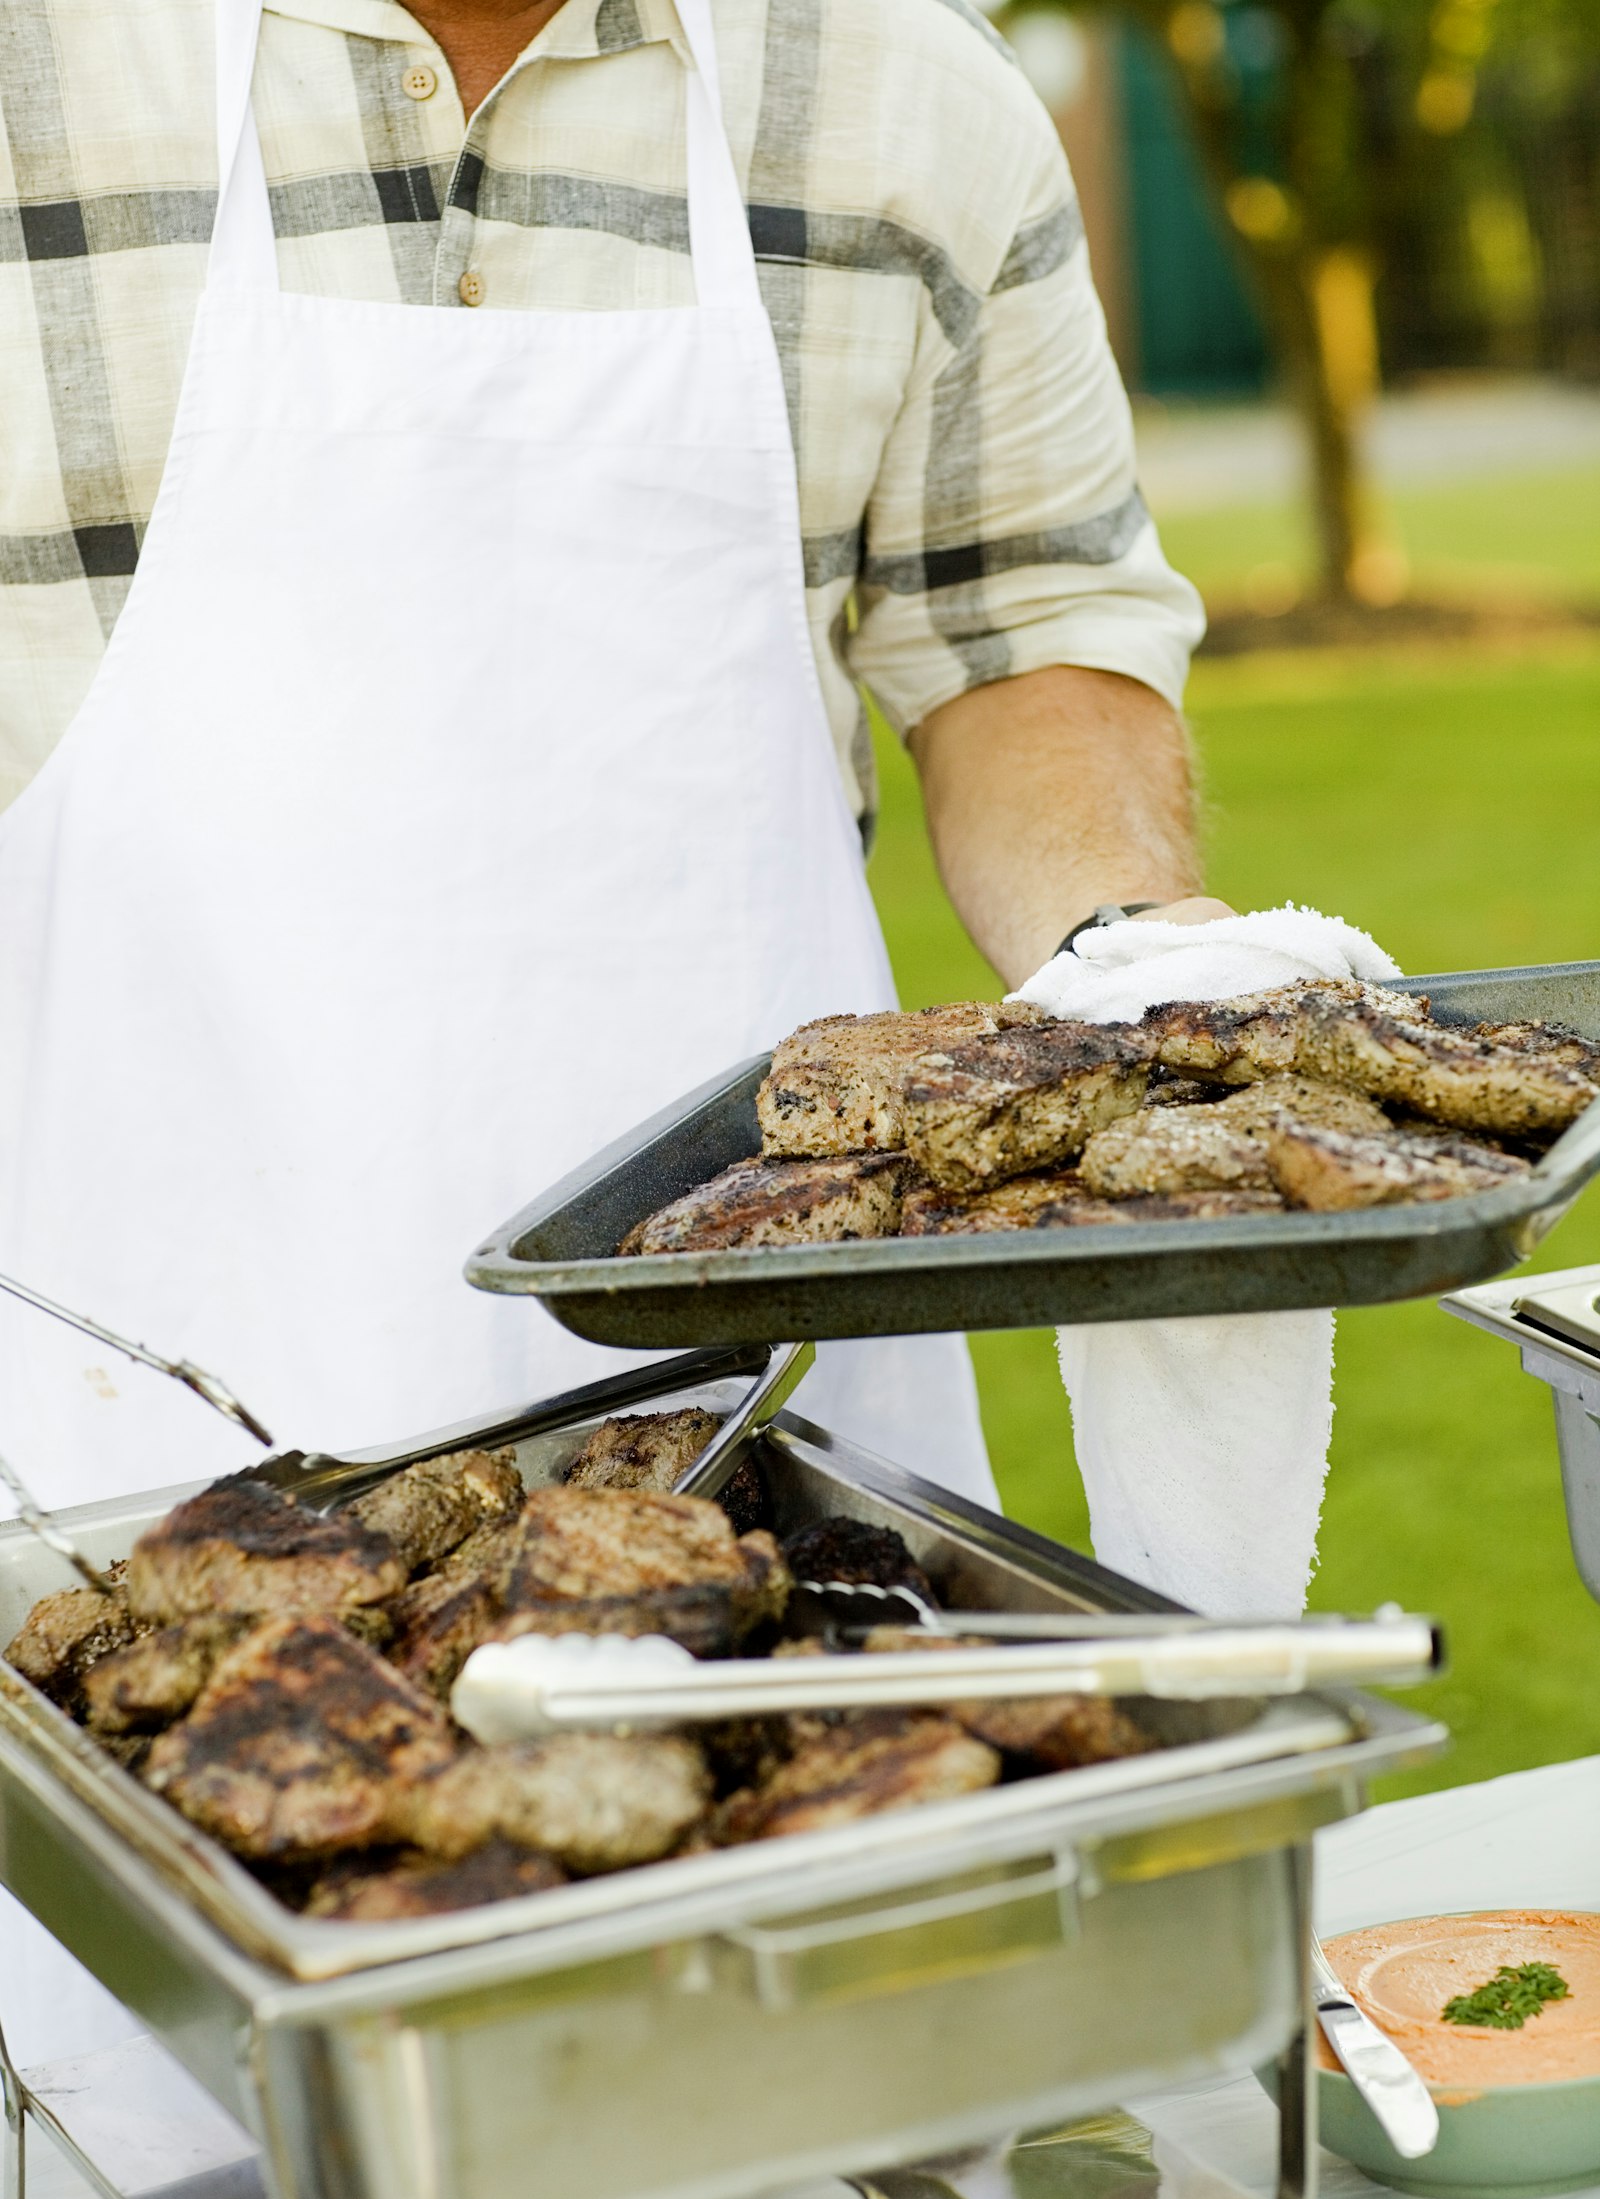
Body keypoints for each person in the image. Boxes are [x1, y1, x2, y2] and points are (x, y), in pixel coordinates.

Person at [0, 0, 1218, 2055]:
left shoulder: (909, 97)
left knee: (857, 2138)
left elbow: (1024, 638)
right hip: (126, 1460)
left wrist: (1156, 978)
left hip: (773, 1475)